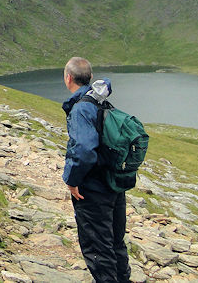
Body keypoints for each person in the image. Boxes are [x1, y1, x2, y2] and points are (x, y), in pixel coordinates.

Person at [62, 56, 131, 283]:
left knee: (98, 247)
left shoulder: (81, 109)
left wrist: (71, 180)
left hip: (93, 189)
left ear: (68, 77)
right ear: (90, 77)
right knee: (115, 241)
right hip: (113, 183)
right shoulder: (100, 100)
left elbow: (83, 149)